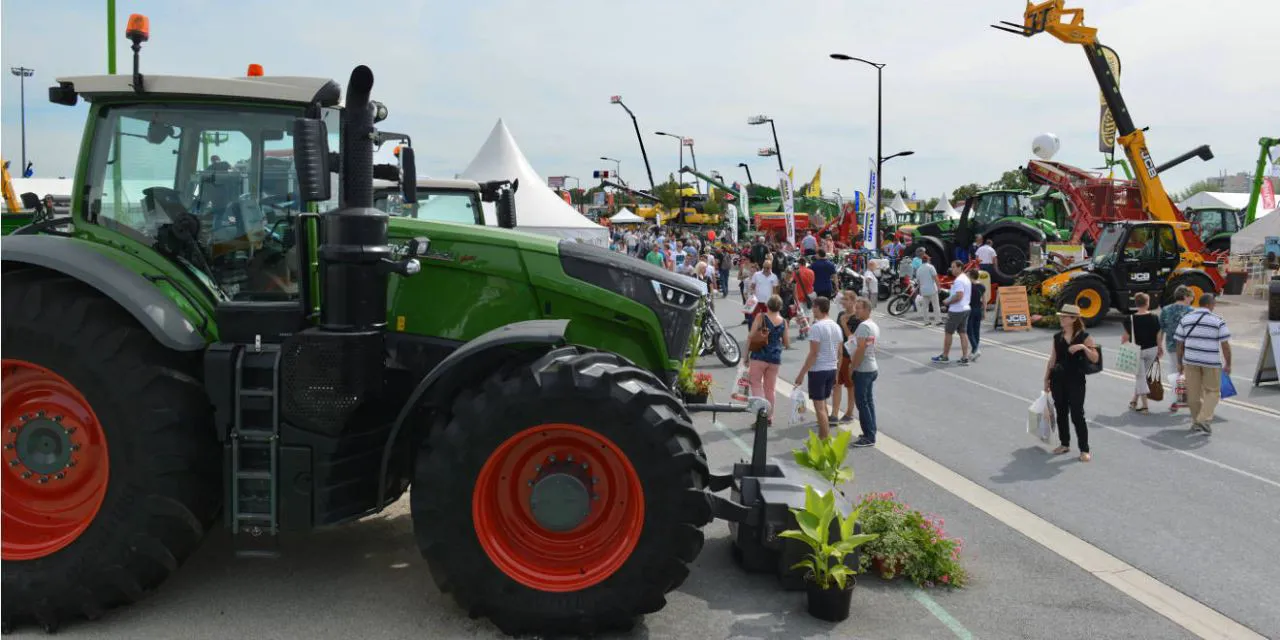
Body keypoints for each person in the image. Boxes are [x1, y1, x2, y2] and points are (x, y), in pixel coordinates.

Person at [1043, 304, 1099, 462]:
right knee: (1061, 413)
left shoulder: (1084, 336)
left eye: (1064, 317)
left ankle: (1084, 449)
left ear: (1073, 319)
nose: (1061, 319)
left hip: (1076, 380)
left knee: (1077, 415)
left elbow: (1095, 358)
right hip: (1058, 379)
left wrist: (1082, 347)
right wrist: (1046, 379)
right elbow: (1052, 359)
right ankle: (1064, 443)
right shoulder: (1057, 337)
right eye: (1060, 316)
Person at [1175, 293, 1231, 434]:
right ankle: (1203, 419)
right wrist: (1228, 363)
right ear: (1209, 305)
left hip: (1190, 361)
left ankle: (1196, 422)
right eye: (1214, 304)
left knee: (1193, 395)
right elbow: (1225, 345)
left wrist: (1179, 362)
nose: (1214, 307)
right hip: (1210, 363)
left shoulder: (1186, 319)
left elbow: (1179, 343)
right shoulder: (1218, 320)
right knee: (1213, 392)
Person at [794, 297, 843, 440]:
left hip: (818, 370)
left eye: (814, 307)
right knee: (824, 404)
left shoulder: (816, 327)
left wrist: (801, 374)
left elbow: (814, 353)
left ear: (818, 308)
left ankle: (824, 438)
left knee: (819, 408)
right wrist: (837, 373)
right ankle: (825, 435)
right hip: (831, 368)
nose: (812, 310)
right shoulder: (836, 326)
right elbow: (839, 352)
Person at [747, 295, 789, 424]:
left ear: (767, 305)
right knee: (770, 388)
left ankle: (761, 414)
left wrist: (745, 356)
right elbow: (787, 343)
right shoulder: (783, 322)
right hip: (775, 358)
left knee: (755, 383)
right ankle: (769, 416)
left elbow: (750, 336)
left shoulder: (761, 317)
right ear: (780, 307)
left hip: (759, 355)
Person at [1122, 292, 1162, 413]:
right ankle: (1134, 400)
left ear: (1136, 303)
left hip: (1137, 350)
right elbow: (1158, 334)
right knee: (1142, 377)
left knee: (1140, 377)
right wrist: (1160, 347)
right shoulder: (1155, 317)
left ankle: (1145, 406)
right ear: (1147, 303)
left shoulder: (1129, 319)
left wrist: (1124, 346)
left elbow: (1125, 337)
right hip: (1152, 349)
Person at [848, 297, 880, 448]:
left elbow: (861, 349)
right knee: (868, 401)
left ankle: (868, 436)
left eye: (859, 308)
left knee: (862, 403)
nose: (856, 310)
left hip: (863, 369)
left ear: (867, 310)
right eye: (856, 307)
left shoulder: (863, 327)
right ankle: (871, 431)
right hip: (872, 367)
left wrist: (852, 367)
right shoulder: (873, 325)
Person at [932, 261, 972, 365]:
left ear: (960, 267)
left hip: (957, 310)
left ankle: (945, 356)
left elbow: (959, 296)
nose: (952, 269)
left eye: (954, 267)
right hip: (965, 308)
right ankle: (965, 357)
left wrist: (947, 302)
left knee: (948, 332)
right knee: (963, 333)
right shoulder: (966, 278)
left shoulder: (959, 280)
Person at [831, 291, 861, 424]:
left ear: (854, 301)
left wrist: (844, 324)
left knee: (850, 385)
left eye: (846, 299)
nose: (843, 302)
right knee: (836, 383)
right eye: (843, 299)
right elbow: (837, 335)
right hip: (839, 355)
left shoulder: (857, 318)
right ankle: (834, 413)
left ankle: (850, 412)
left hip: (850, 356)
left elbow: (853, 339)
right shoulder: (840, 314)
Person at [749, 260, 779, 324]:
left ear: (771, 267)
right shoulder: (756, 274)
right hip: (757, 302)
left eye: (767, 268)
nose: (765, 269)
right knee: (756, 320)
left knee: (767, 321)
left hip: (768, 303)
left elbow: (774, 291)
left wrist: (775, 301)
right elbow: (752, 287)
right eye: (764, 267)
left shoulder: (774, 277)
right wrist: (752, 296)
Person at [966, 268, 986, 361]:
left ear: (971, 276)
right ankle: (974, 352)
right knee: (976, 331)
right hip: (978, 310)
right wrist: (984, 311)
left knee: (969, 331)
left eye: (967, 275)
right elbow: (984, 300)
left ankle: (975, 349)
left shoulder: (968, 286)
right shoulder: (982, 286)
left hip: (970, 310)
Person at [915, 254, 941, 325]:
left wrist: (920, 290)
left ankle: (926, 321)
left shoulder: (919, 269)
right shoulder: (931, 267)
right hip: (932, 289)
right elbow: (935, 278)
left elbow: (919, 281)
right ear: (928, 260)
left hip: (923, 290)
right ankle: (938, 320)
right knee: (936, 305)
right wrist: (939, 287)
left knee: (925, 307)